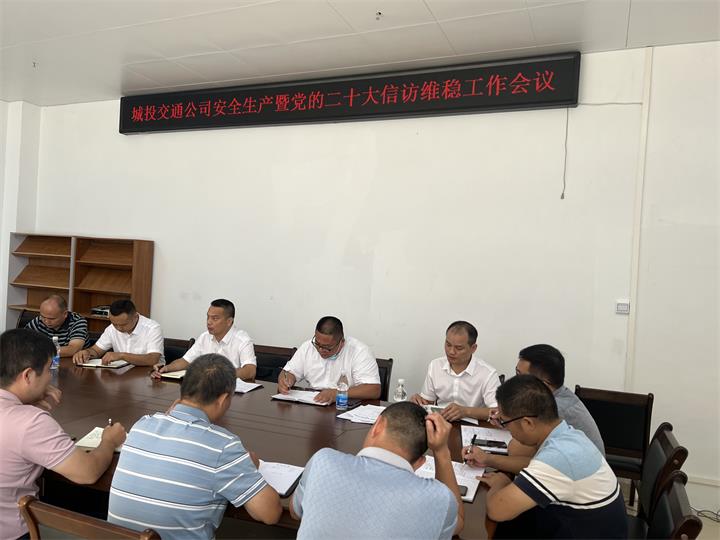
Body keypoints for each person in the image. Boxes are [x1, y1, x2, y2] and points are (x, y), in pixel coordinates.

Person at [109, 354, 281, 539]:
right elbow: (270, 514)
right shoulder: (222, 446)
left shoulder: (142, 425)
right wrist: (249, 468)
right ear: (223, 399)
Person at [0, 329, 126, 540]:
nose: (50, 377)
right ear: (28, 375)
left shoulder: (26, 418)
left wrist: (26, 402)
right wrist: (108, 441)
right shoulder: (31, 422)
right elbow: (87, 473)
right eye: (49, 369)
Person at [477, 375, 627, 539]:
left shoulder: (558, 458)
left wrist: (500, 483)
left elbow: (497, 510)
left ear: (528, 423)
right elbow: (528, 463)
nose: (507, 429)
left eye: (505, 422)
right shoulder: (569, 434)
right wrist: (490, 460)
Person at [289, 402, 464, 539]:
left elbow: (295, 512)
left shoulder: (323, 462)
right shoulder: (439, 499)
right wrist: (441, 452)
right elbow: (457, 522)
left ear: (378, 425)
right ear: (419, 463)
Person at [464, 344, 605, 474]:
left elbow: (516, 451)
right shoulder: (557, 394)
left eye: (521, 377)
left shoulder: (555, 408)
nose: (515, 381)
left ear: (542, 385)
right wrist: (508, 422)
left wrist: (489, 458)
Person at [410, 321, 500, 422]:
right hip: (441, 422)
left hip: (473, 425)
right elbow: (428, 403)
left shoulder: (487, 373)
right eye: (448, 345)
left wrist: (465, 411)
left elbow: (498, 412)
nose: (451, 351)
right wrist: (418, 402)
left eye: (459, 348)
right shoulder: (435, 365)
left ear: (473, 348)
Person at [278, 316, 380, 403]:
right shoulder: (308, 347)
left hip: (344, 406)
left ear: (342, 342)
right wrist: (285, 381)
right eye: (317, 344)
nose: (320, 350)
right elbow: (288, 372)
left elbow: (373, 389)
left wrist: (338, 393)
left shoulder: (360, 351)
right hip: (314, 403)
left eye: (327, 347)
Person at [152, 299, 256, 381]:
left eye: (215, 318)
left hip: (231, 391)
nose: (209, 322)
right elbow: (186, 361)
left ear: (229, 321)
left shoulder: (242, 340)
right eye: (208, 317)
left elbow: (250, 371)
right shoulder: (205, 337)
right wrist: (166, 368)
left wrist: (221, 374)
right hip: (206, 388)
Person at [73, 299, 164, 366]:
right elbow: (96, 351)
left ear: (135, 316)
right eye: (114, 324)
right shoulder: (111, 329)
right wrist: (86, 353)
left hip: (149, 374)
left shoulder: (152, 328)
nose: (119, 328)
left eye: (124, 324)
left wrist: (122, 355)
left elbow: (153, 359)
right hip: (121, 373)